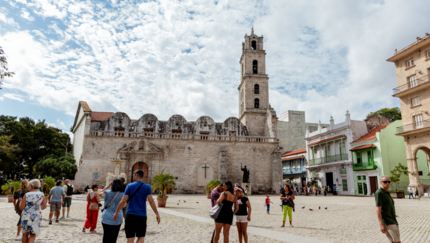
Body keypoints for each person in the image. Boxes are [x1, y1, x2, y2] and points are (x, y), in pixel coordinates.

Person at [114, 170, 160, 243]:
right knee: (141, 237)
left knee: (130, 238)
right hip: (141, 215)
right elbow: (151, 201)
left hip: (130, 215)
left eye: (133, 175)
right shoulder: (147, 187)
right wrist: (157, 213)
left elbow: (123, 200)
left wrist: (116, 212)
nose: (132, 176)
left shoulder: (129, 186)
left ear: (136, 175)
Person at [19, 179, 47, 243]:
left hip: (26, 215)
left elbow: (21, 208)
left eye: (29, 185)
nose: (28, 187)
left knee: (25, 234)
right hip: (36, 215)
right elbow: (44, 206)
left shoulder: (26, 195)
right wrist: (37, 208)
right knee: (33, 234)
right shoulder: (41, 194)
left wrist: (20, 204)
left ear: (32, 185)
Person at [376, 176, 400, 243]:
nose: (387, 183)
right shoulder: (379, 193)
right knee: (397, 241)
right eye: (385, 182)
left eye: (389, 182)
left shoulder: (386, 192)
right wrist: (381, 224)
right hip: (388, 221)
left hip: (392, 219)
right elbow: (378, 209)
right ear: (381, 182)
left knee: (393, 241)